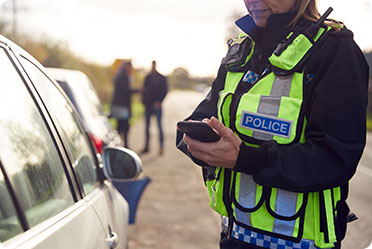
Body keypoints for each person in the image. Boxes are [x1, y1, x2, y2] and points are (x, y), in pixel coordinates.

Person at [176, 0, 369, 248]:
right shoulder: (241, 49)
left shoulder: (335, 50)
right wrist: (198, 143)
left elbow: (336, 157)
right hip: (233, 238)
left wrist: (245, 158)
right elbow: (202, 117)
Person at [141, 60, 168, 155]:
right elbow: (144, 90)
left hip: (157, 106)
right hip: (148, 105)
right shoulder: (147, 77)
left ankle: (161, 147)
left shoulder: (161, 78)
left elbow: (165, 91)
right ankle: (146, 147)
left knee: (159, 126)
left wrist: (159, 102)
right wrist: (143, 102)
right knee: (147, 127)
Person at [110, 61, 137, 148]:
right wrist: (137, 90)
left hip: (119, 105)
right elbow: (126, 91)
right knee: (124, 126)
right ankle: (123, 145)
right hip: (122, 106)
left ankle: (119, 145)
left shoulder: (120, 75)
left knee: (121, 125)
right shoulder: (123, 76)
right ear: (127, 67)